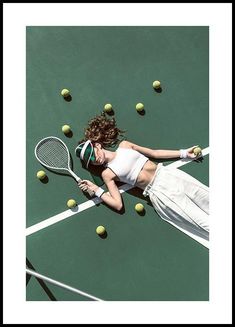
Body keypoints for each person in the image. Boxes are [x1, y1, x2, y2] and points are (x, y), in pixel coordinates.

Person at [75, 113, 209, 240]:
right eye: (91, 160)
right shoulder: (107, 174)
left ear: (97, 145)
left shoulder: (125, 146)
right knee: (205, 224)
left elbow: (154, 153)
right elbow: (118, 204)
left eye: (93, 154)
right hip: (159, 193)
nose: (95, 159)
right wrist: (96, 190)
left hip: (169, 175)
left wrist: (184, 153)